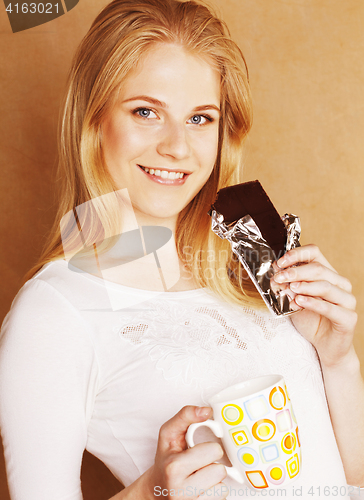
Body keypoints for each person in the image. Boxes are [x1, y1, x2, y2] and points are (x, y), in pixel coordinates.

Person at [0, 0, 363, 499]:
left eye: (200, 118)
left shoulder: (247, 260)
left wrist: (337, 358)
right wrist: (153, 490)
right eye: (146, 112)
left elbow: (351, 478)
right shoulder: (56, 307)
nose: (176, 147)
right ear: (94, 119)